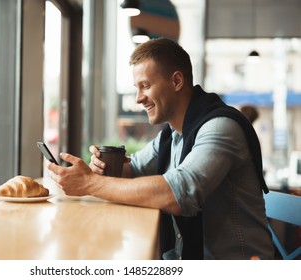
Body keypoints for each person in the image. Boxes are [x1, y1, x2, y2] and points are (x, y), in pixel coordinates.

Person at [23, 38, 274, 259]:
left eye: (145, 86)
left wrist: (90, 184)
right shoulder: (171, 135)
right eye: (136, 88)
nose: (138, 98)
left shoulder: (220, 127)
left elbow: (179, 195)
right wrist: (102, 166)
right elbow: (133, 168)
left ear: (176, 81)